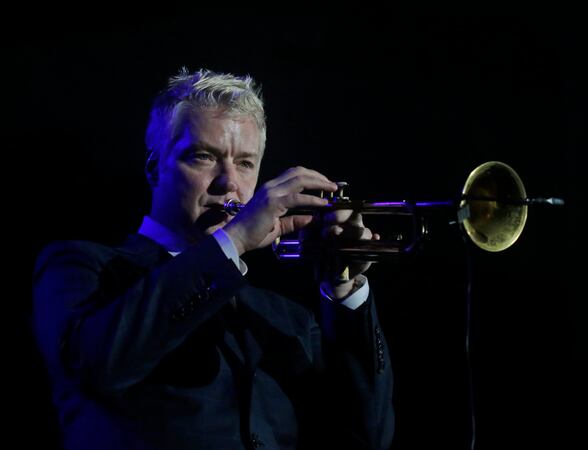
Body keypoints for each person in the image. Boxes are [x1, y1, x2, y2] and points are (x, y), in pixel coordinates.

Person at [32, 68, 395, 450]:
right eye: (204, 157)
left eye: (245, 163)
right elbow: (96, 367)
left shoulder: (286, 319)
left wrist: (344, 289)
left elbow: (366, 436)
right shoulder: (80, 267)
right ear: (154, 167)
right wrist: (234, 239)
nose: (229, 184)